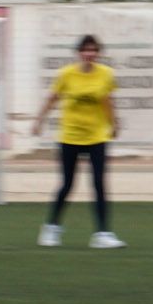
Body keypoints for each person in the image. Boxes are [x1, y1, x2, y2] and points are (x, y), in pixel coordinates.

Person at [30, 35, 125, 250]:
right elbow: (52, 98)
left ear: (98, 53)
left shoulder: (106, 74)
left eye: (93, 50)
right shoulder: (66, 74)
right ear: (79, 52)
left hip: (96, 137)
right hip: (70, 137)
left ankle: (102, 234)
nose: (89, 54)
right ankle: (51, 228)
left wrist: (114, 123)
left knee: (100, 184)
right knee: (67, 184)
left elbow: (108, 100)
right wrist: (39, 121)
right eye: (85, 50)